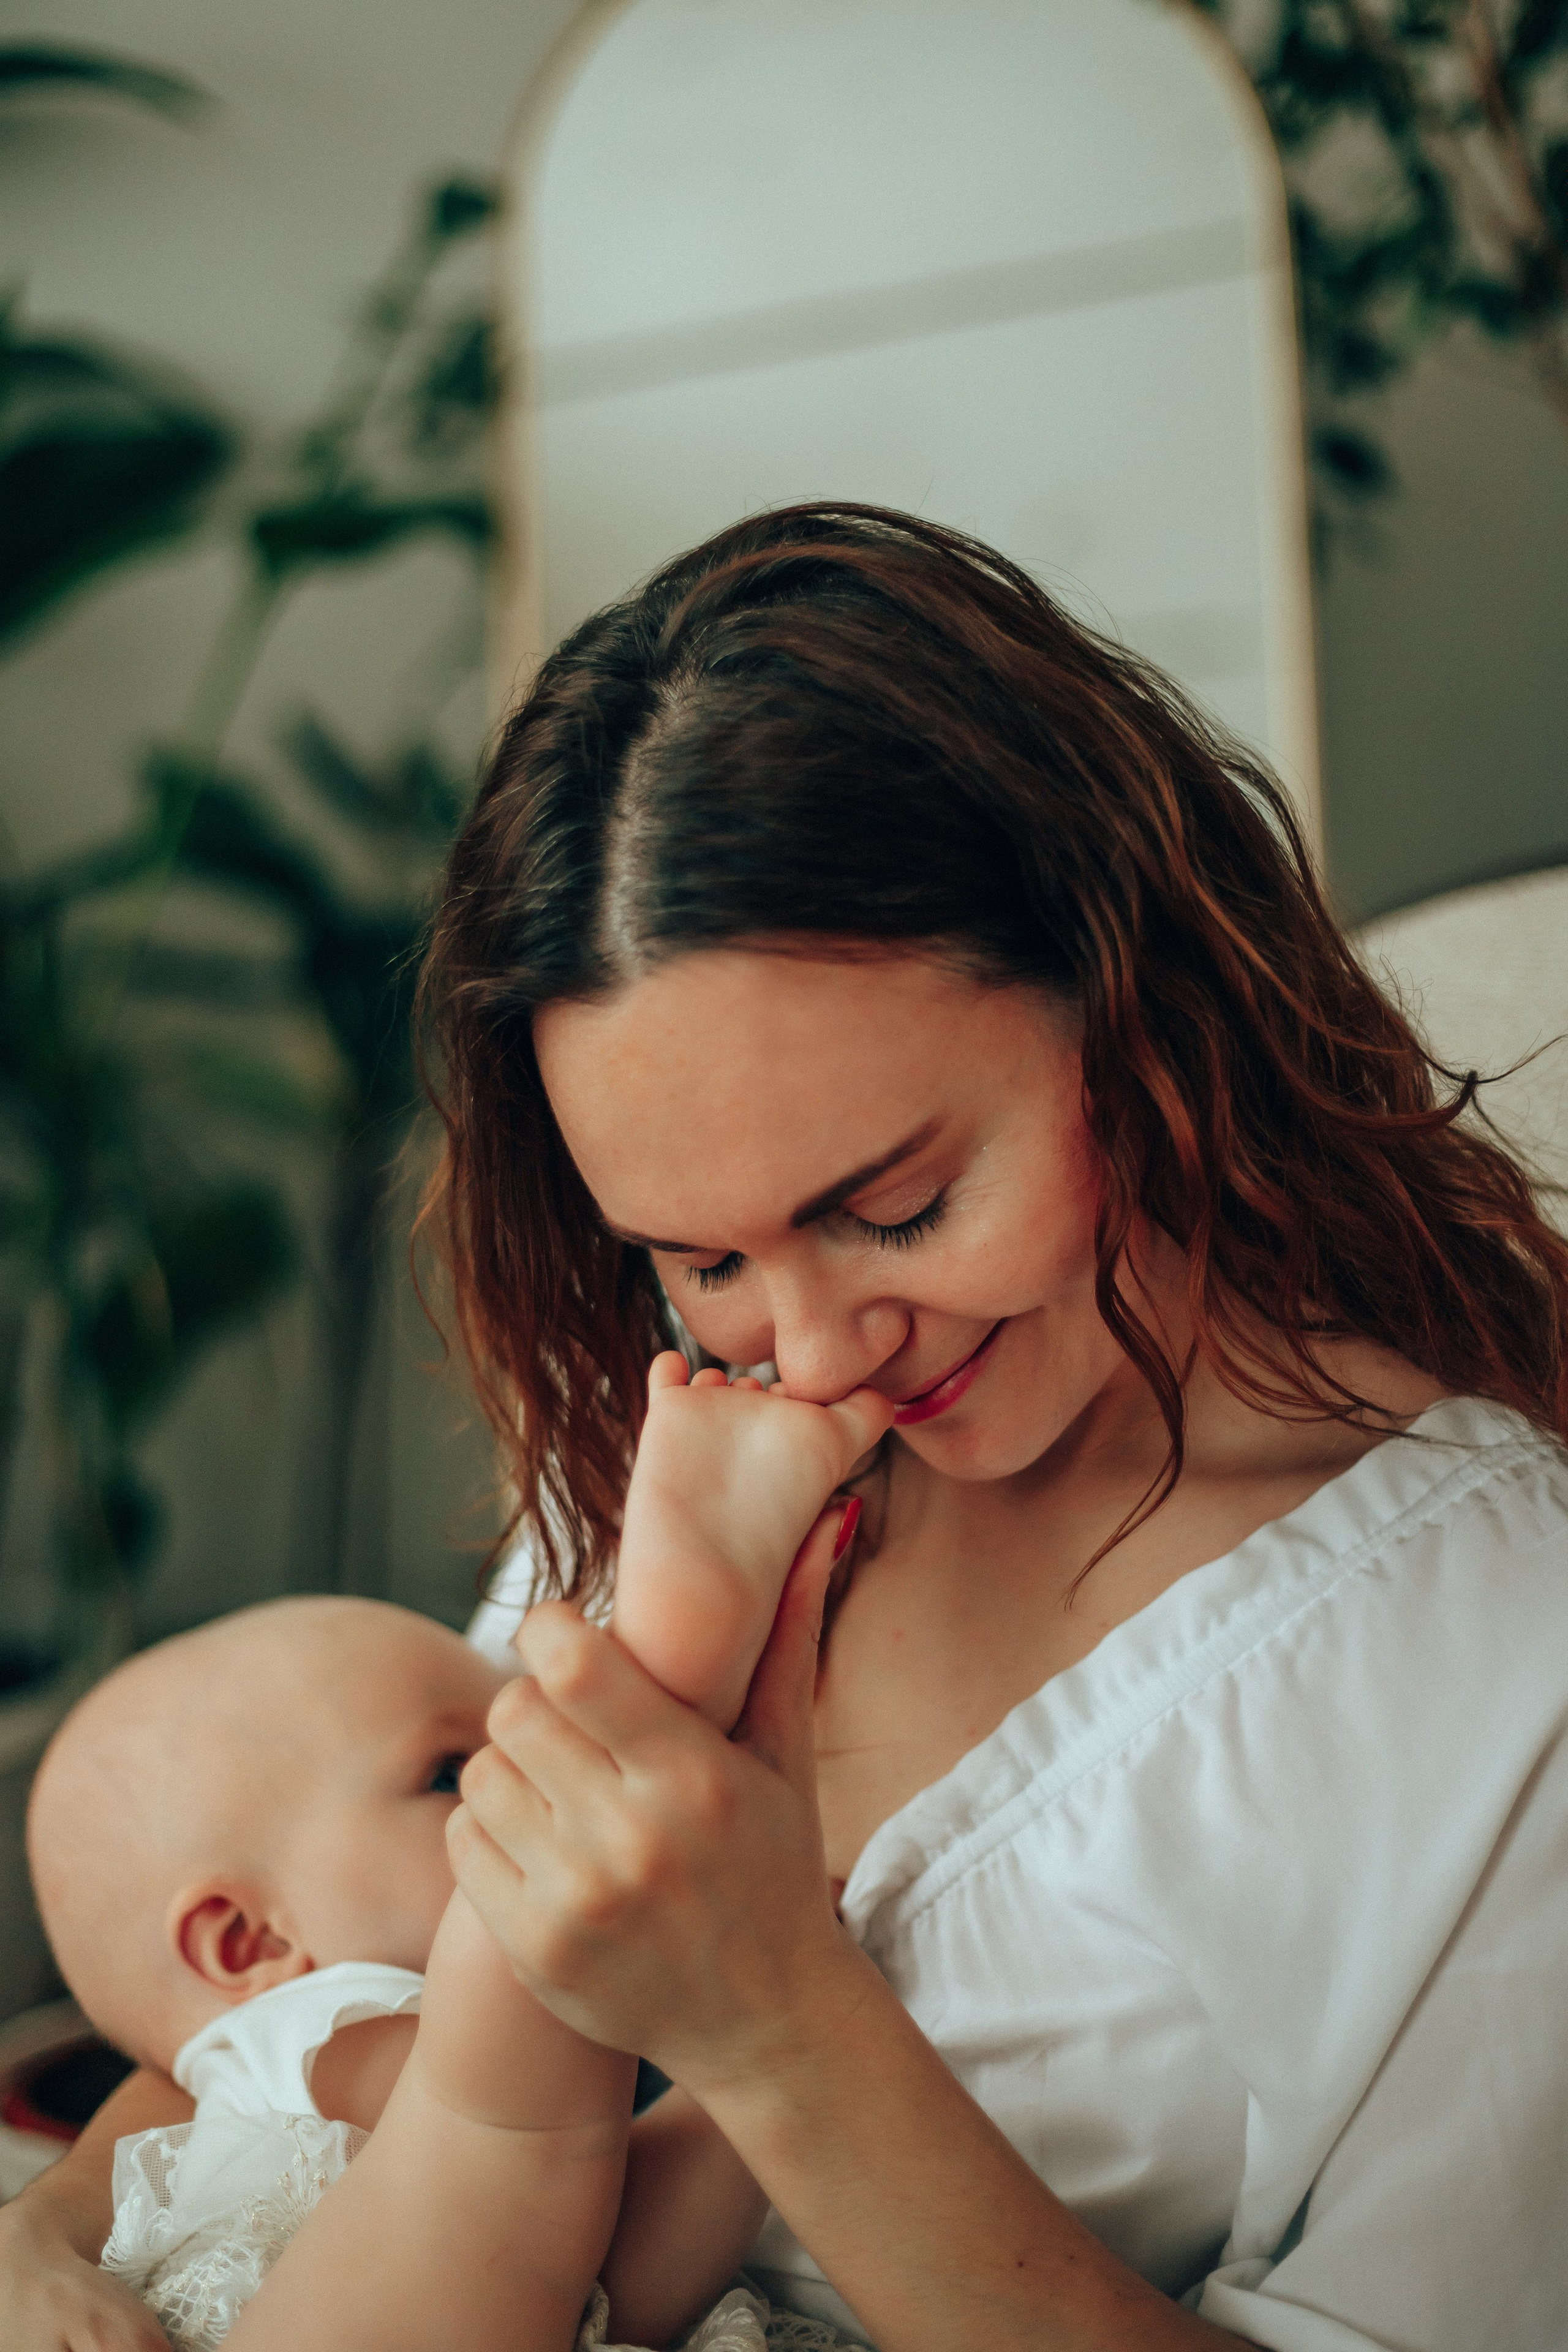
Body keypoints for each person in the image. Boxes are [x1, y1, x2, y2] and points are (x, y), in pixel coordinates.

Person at [5, 500, 1567, 2352]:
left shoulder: (1501, 1670)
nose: (817, 1352)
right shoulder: (695, 1424)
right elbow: (317, 2025)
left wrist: (777, 2021)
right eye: (701, 1252)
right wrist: (60, 2225)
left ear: (1148, 1012)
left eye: (895, 1205)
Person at [22, 1402, 876, 2351]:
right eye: (450, 1774)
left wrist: (760, 2046)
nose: (520, 1778)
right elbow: (523, 2131)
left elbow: (611, 2285)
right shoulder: (319, 2032)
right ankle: (681, 1659)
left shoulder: (456, 2121)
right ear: (250, 1942)